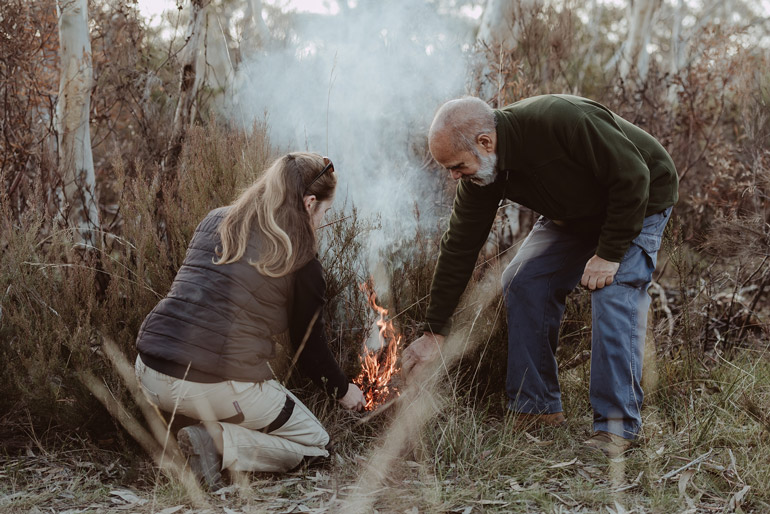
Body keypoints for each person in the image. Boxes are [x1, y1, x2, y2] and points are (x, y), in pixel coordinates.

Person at [401, 95, 678, 458]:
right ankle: (537, 409)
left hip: (637, 199)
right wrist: (435, 331)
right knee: (523, 278)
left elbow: (632, 176)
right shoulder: (482, 173)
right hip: (572, 214)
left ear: (485, 142)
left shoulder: (559, 120)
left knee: (611, 290)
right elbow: (459, 248)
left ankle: (616, 429)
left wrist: (608, 254)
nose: (454, 177)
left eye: (457, 166)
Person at [134, 152, 366, 489]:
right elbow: (308, 352)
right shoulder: (302, 259)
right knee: (317, 446)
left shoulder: (215, 220)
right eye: (324, 213)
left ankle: (187, 433)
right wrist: (344, 391)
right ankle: (214, 444)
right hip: (212, 385)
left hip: (149, 372)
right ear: (309, 202)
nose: (322, 223)